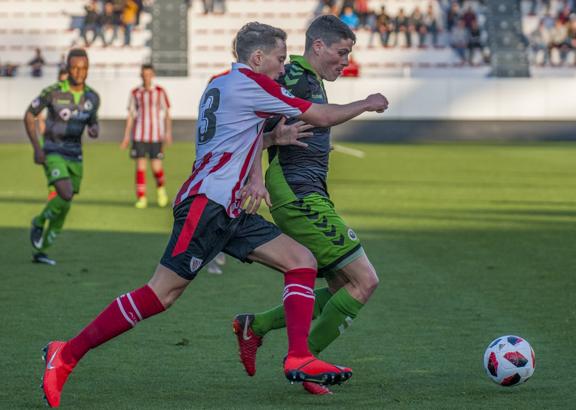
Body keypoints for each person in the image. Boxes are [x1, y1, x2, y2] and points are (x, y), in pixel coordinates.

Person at [40, 22, 388, 408]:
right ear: (257, 58)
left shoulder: (221, 83)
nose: (282, 67)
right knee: (161, 293)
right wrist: (366, 102)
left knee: (301, 261)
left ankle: (298, 356)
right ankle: (66, 353)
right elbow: (319, 116)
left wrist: (272, 140)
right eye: (278, 59)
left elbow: (238, 133)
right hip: (208, 204)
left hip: (232, 207)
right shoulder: (255, 85)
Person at [232, 15, 380, 396]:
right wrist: (367, 102)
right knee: (365, 281)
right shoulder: (295, 76)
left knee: (342, 283)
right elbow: (252, 123)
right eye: (341, 52)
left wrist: (269, 146)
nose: (345, 61)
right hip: (298, 192)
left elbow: (265, 126)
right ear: (318, 46)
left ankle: (257, 325)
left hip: (305, 190)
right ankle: (304, 361)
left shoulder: (306, 79)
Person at [26, 49, 100, 266]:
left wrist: (94, 128)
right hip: (53, 150)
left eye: (83, 68)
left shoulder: (92, 97)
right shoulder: (53, 92)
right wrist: (37, 148)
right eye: (75, 67)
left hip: (75, 155)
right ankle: (38, 222)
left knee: (65, 204)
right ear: (67, 68)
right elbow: (29, 115)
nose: (79, 72)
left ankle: (42, 250)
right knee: (65, 193)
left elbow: (92, 121)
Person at [121, 64, 172, 208]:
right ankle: (141, 198)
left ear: (153, 75)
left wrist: (168, 132)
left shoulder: (160, 91)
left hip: (156, 135)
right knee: (140, 167)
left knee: (156, 167)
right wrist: (126, 136)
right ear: (141, 75)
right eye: (144, 74)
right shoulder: (135, 92)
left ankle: (161, 190)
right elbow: (131, 114)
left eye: (149, 74)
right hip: (139, 135)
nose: (146, 77)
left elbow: (167, 113)